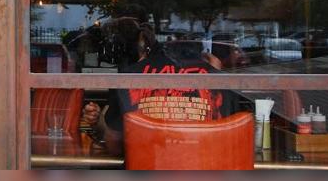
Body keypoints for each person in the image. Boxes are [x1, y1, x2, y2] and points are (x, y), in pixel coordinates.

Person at [84, 19, 237, 155]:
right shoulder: (216, 77)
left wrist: (100, 127)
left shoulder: (130, 77)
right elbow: (234, 139)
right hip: (208, 180)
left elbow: (115, 145)